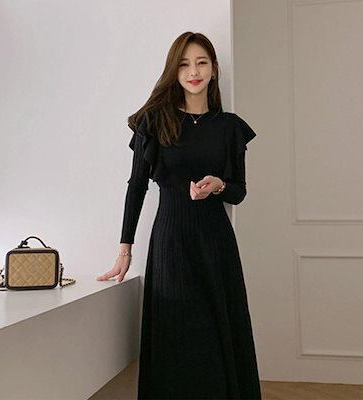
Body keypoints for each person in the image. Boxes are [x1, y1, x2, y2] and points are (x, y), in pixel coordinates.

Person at [96, 31, 261, 400]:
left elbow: (239, 191)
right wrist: (124, 250)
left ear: (214, 69)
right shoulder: (155, 121)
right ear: (174, 71)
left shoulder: (230, 127)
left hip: (215, 242)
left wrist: (218, 184)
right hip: (171, 241)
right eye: (184, 64)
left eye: (201, 63)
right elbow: (136, 186)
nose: (194, 71)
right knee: (177, 332)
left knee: (216, 333)